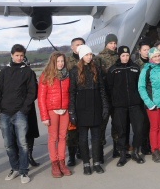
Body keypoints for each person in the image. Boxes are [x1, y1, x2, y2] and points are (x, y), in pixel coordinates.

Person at [0, 44, 37, 184]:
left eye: (21, 56)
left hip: (20, 113)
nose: (19, 58)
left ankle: (24, 171)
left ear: (24, 56)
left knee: (22, 143)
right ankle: (15, 168)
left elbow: (32, 92)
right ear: (11, 55)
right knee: (8, 144)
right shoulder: (4, 71)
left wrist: (24, 109)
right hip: (5, 113)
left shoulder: (28, 72)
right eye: (17, 55)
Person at [69, 45, 109, 175]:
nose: (90, 57)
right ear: (81, 56)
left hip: (95, 105)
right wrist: (72, 112)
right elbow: (72, 93)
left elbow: (102, 89)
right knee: (83, 138)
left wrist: (105, 106)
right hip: (82, 107)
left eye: (91, 54)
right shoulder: (75, 71)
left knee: (96, 137)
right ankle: (86, 163)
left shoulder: (96, 69)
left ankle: (96, 162)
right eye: (87, 55)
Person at [106, 46, 147, 166]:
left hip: (135, 104)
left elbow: (140, 85)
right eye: (123, 55)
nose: (125, 57)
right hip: (119, 106)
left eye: (127, 55)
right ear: (119, 56)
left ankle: (135, 151)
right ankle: (123, 154)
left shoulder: (135, 68)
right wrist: (112, 103)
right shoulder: (113, 69)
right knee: (122, 130)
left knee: (139, 129)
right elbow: (109, 87)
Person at [38, 52, 72, 178]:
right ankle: (55, 163)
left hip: (64, 110)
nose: (60, 63)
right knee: (53, 138)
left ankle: (62, 162)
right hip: (52, 110)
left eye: (62, 61)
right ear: (53, 62)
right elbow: (41, 98)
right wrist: (44, 116)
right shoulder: (46, 76)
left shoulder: (67, 75)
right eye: (58, 61)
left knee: (63, 137)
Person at [138, 47, 160, 163]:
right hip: (153, 104)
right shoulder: (146, 70)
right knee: (154, 127)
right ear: (150, 58)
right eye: (154, 56)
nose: (157, 58)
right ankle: (155, 150)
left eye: (158, 56)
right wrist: (149, 103)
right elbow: (141, 87)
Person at [98, 34, 119, 159]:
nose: (113, 45)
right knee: (102, 124)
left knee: (117, 124)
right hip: (105, 96)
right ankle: (99, 151)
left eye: (115, 43)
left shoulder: (118, 57)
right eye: (111, 43)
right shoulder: (99, 58)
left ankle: (117, 148)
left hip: (116, 95)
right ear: (106, 43)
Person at [65, 37, 85, 167]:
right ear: (72, 47)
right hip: (71, 99)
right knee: (71, 131)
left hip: (84, 99)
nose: (79, 47)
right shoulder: (67, 61)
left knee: (83, 128)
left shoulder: (89, 59)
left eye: (82, 45)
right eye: (77, 45)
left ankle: (81, 150)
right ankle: (71, 156)